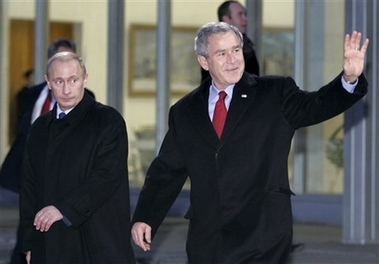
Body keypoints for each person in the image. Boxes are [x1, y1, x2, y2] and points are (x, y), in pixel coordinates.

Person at [131, 22, 369, 263]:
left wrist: (347, 80)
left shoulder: (274, 92)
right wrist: (145, 216)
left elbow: (316, 105)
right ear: (204, 61)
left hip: (262, 231)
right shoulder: (185, 110)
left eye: (236, 50)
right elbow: (167, 169)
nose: (233, 59)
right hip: (209, 236)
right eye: (222, 54)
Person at [19, 52, 136, 264]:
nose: (66, 89)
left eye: (73, 80)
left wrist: (63, 209)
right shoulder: (40, 128)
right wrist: (28, 243)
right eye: (58, 81)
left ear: (85, 79)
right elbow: (29, 187)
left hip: (97, 241)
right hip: (49, 242)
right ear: (48, 82)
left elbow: (107, 176)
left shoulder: (108, 120)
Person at [0, 38, 95, 264]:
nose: (66, 86)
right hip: (31, 166)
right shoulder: (32, 94)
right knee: (30, 222)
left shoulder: (87, 99)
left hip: (66, 177)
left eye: (72, 75)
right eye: (59, 60)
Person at [201, 0, 260, 82]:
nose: (245, 19)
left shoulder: (247, 46)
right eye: (240, 14)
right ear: (226, 19)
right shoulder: (211, 46)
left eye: (245, 14)